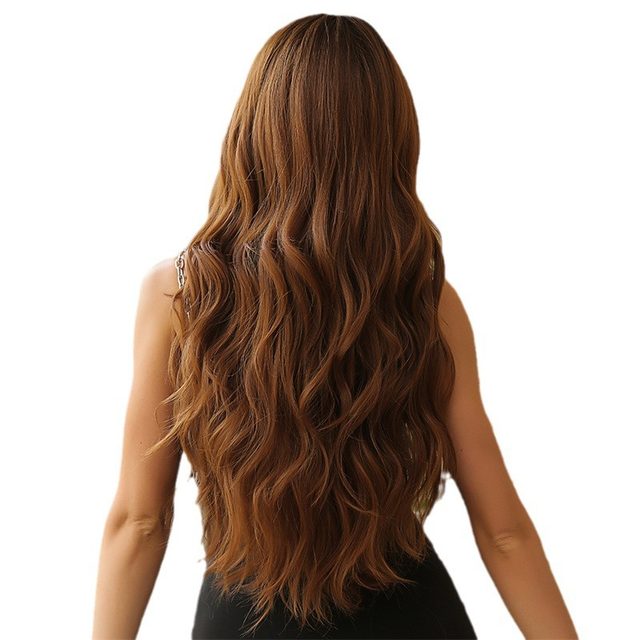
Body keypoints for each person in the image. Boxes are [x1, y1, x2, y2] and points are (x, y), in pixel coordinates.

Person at [92, 13, 578, 640]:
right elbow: (503, 531)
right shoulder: (425, 301)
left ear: (254, 133)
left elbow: (140, 522)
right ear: (391, 143)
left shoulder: (181, 296)